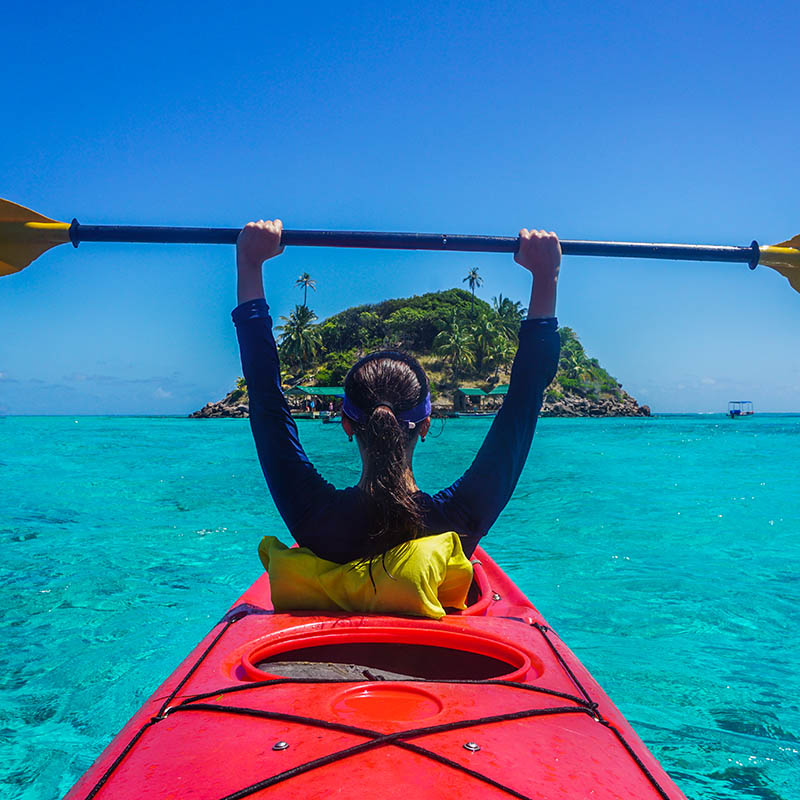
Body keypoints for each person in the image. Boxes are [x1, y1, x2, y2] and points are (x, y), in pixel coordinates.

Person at [233, 219, 560, 566]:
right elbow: (524, 400)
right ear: (425, 425)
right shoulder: (457, 522)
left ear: (346, 423)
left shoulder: (313, 516)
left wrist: (249, 263)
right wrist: (546, 275)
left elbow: (265, 397)